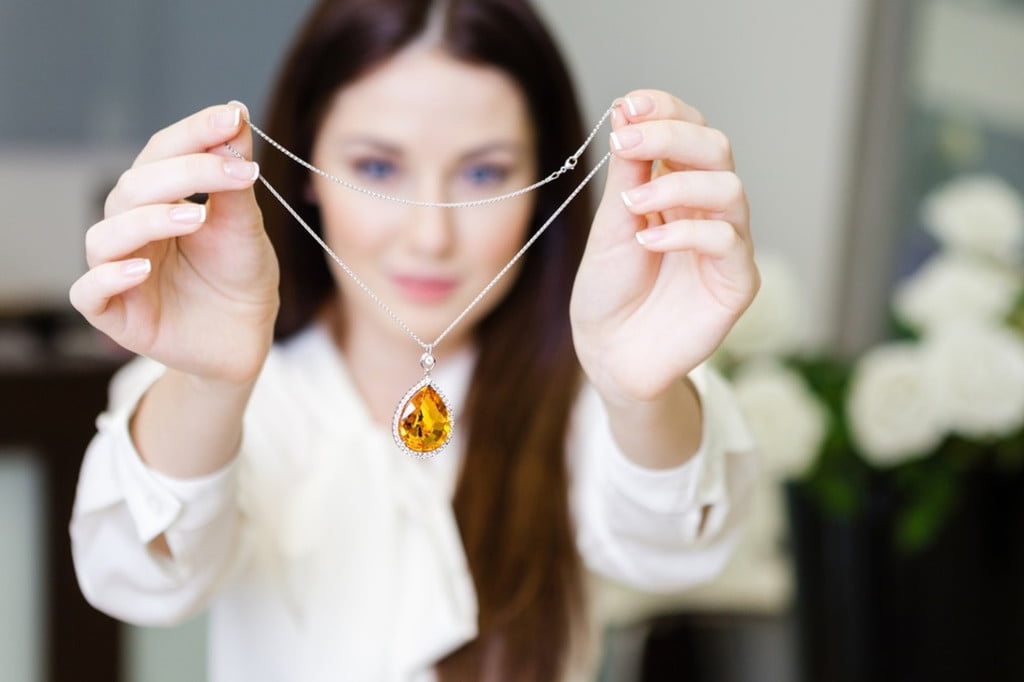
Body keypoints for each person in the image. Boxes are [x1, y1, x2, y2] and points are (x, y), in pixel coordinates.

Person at [68, 0, 759, 680]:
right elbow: (137, 578)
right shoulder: (220, 394)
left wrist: (641, 399)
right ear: (306, 168)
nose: (431, 236)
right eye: (377, 168)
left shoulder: (591, 396)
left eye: (484, 173)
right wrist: (211, 384)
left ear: (543, 187)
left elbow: (676, 548)